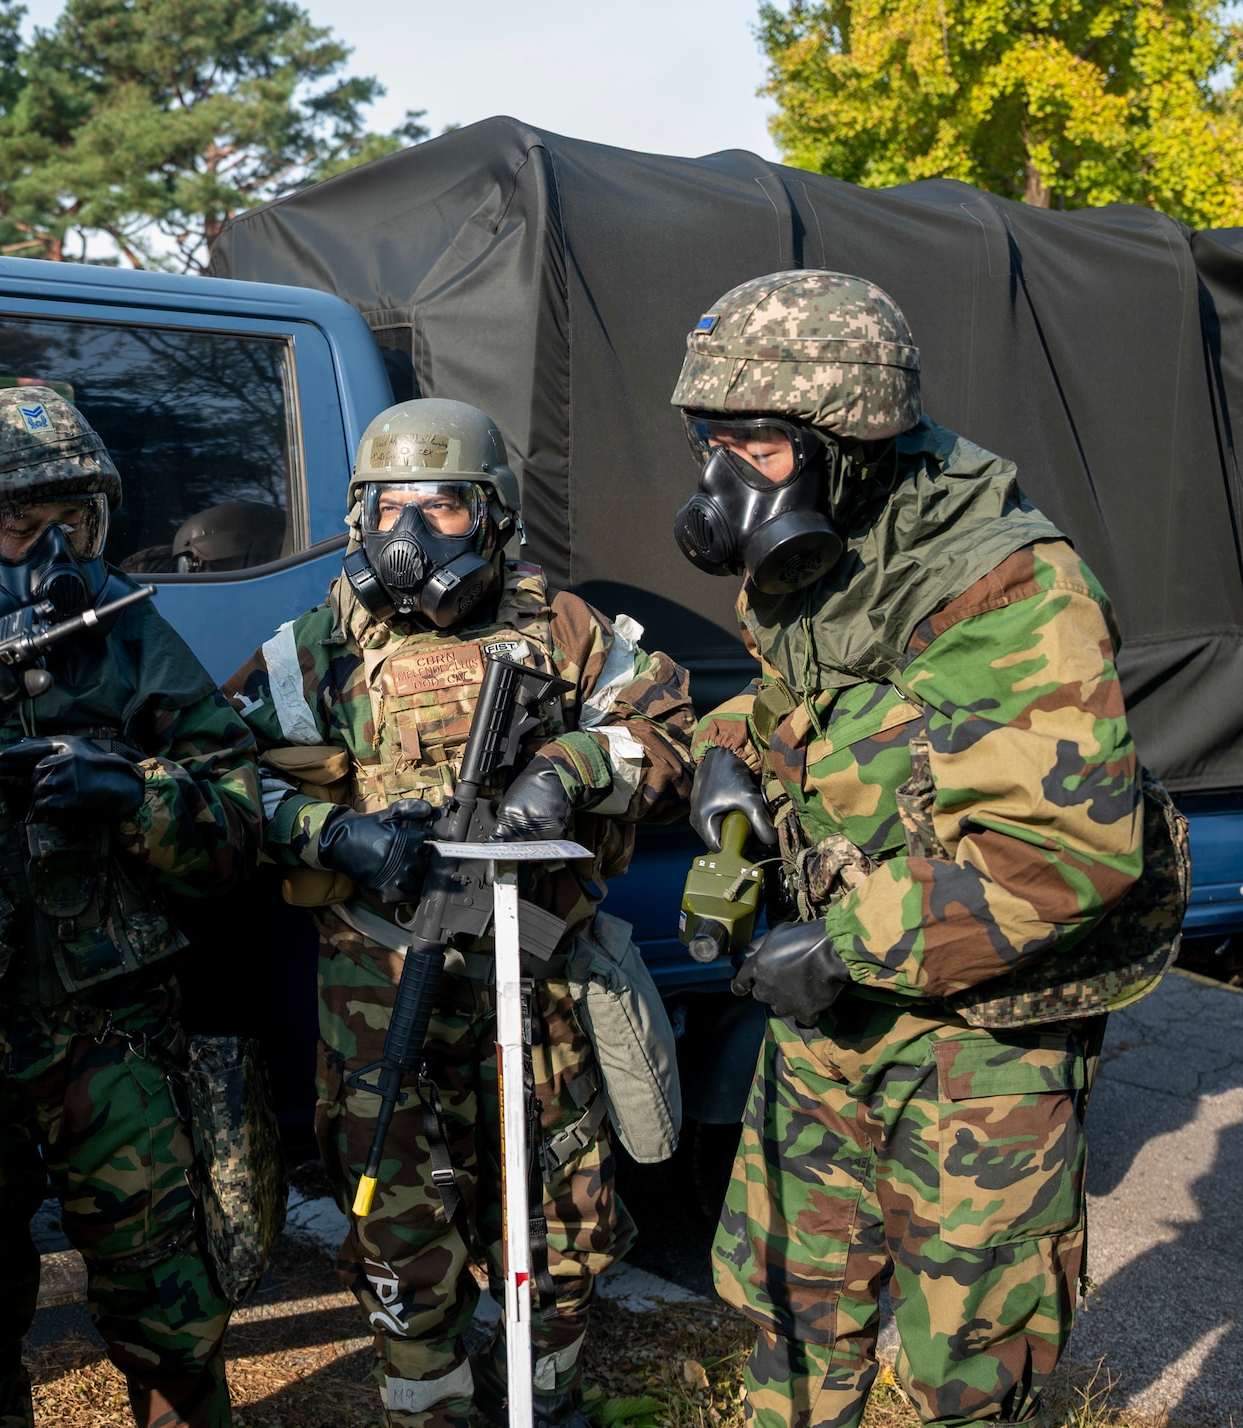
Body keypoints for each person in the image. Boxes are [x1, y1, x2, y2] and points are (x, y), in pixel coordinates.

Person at [673, 270, 1175, 1427]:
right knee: (790, 1312)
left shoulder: (1009, 588)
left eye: (749, 441)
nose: (717, 475)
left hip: (974, 1049)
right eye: (707, 438)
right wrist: (723, 757)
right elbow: (811, 712)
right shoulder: (823, 557)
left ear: (844, 438)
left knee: (967, 1370)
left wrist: (846, 945)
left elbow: (1068, 852)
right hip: (827, 1027)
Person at [221, 398, 695, 1428]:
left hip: (543, 977)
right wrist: (326, 832)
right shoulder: (313, 652)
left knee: (563, 1214)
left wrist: (569, 769)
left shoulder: (561, 631)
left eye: (438, 507)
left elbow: (664, 735)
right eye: (385, 507)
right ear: (353, 520)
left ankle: (541, 1388)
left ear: (492, 516)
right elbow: (217, 780)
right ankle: (425, 1400)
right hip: (380, 982)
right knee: (394, 1214)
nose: (406, 535)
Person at [0, 387, 263, 1428]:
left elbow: (239, 819)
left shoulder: (129, 638)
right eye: (26, 526)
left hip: (110, 1039)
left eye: (77, 521)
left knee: (168, 1314)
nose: (56, 548)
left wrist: (134, 795)